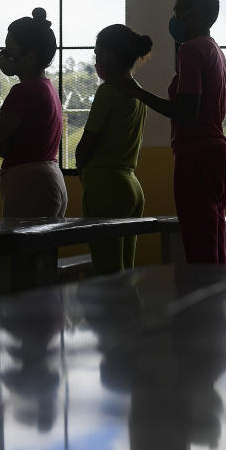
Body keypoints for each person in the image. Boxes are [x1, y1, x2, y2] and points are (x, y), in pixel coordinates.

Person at [124, 0, 226, 264]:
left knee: (199, 245)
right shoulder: (215, 51)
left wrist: (138, 93)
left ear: (193, 14)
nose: (174, 19)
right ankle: (215, 303)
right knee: (214, 238)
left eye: (178, 12)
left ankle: (204, 306)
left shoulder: (191, 50)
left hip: (196, 154)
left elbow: (186, 110)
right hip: (218, 153)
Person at [75, 24, 151, 274]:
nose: (96, 61)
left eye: (97, 54)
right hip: (132, 185)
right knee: (126, 273)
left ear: (107, 55)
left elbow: (88, 141)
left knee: (107, 274)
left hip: (106, 186)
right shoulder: (138, 93)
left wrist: (80, 165)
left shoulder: (107, 91)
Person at [0, 8, 67, 218]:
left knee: (24, 250)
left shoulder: (23, 91)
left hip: (29, 183)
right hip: (51, 178)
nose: (3, 56)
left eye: (9, 49)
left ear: (30, 56)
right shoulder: (47, 88)